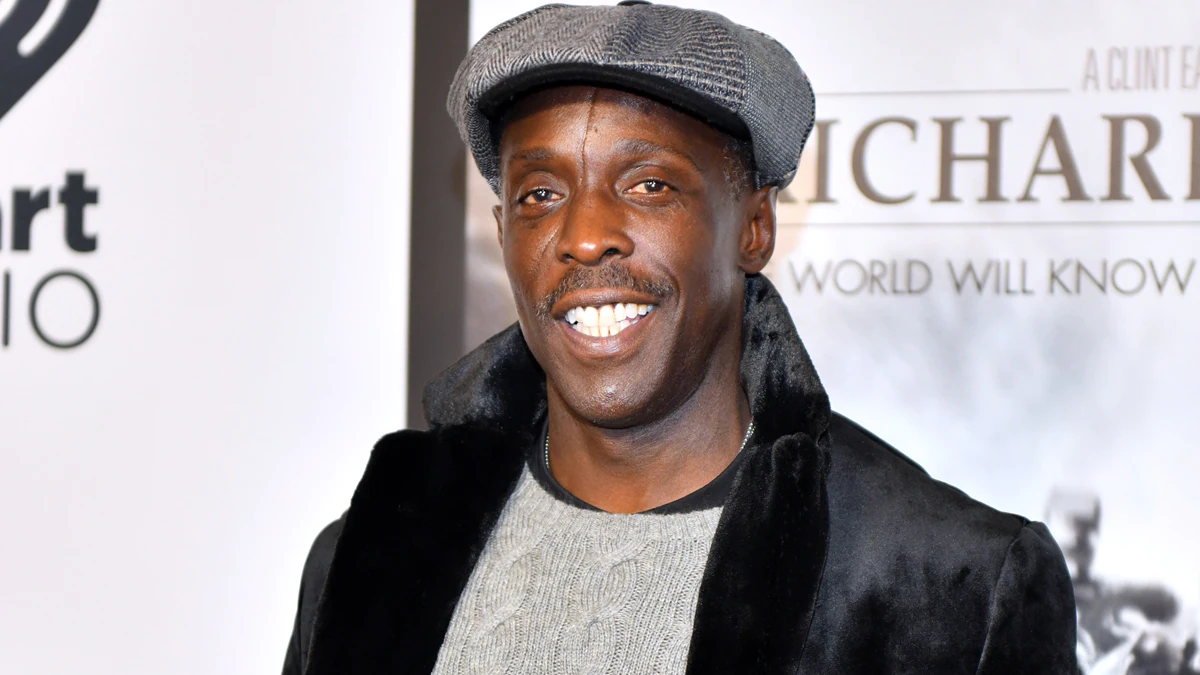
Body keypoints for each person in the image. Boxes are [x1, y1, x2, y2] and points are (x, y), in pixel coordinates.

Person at [282, 2, 1077, 673]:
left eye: (649, 184)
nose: (583, 236)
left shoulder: (955, 587)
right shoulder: (372, 554)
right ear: (502, 234)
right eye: (540, 194)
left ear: (755, 227)